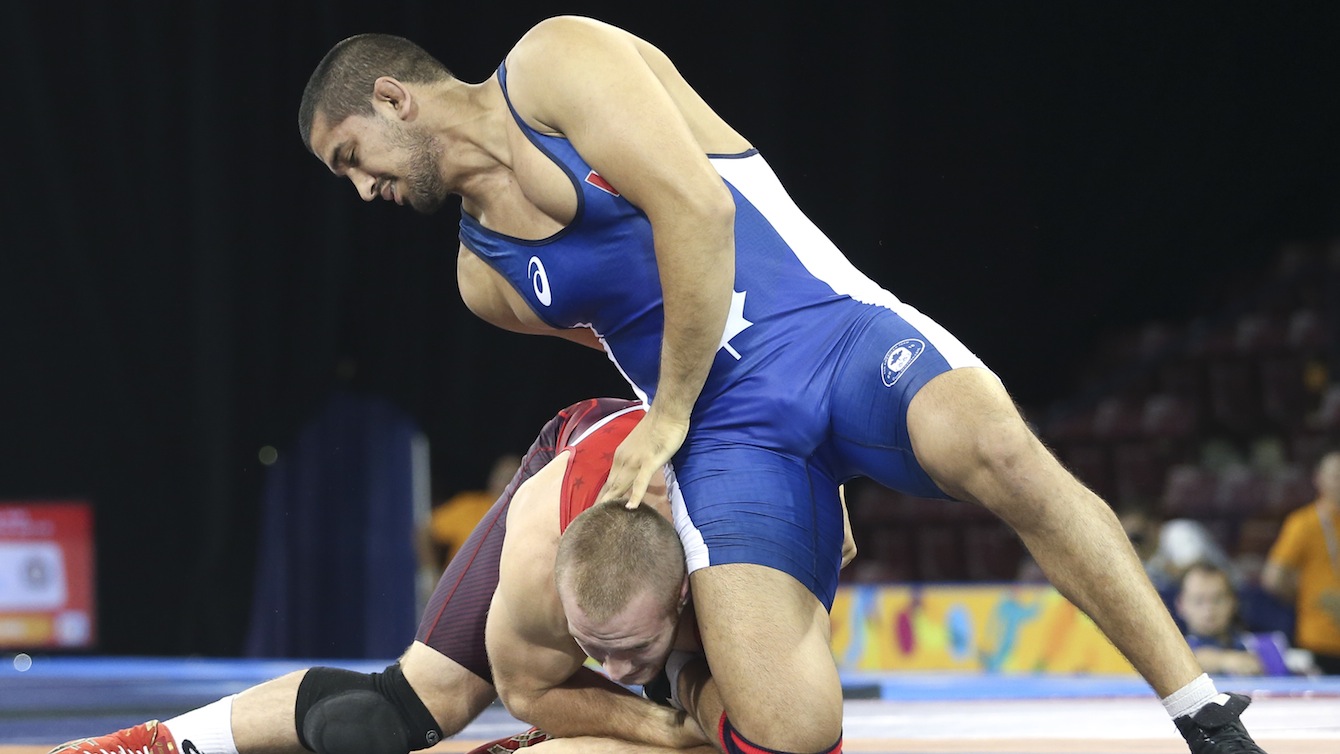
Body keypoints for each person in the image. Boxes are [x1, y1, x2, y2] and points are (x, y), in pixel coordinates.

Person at [297, 17, 1268, 753]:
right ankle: (686, 675)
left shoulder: (553, 62)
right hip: (733, 439)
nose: (361, 190)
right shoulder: (486, 277)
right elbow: (635, 342)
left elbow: (698, 212)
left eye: (352, 159)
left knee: (1001, 452)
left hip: (830, 334)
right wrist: (713, 432)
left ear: (393, 99)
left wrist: (666, 412)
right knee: (789, 734)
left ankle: (1202, 710)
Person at [48, 398, 717, 754]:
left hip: (719, 517)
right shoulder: (540, 556)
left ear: (683, 592)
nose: (615, 668)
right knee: (391, 714)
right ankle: (154, 746)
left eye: (632, 650)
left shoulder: (740, 570)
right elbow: (529, 690)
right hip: (577, 459)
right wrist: (655, 723)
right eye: (592, 647)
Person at [1261, 449, 1340, 674]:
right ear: (1318, 478)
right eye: (1336, 475)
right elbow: (1273, 578)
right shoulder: (1303, 523)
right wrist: (1307, 595)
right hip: (1318, 640)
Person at [1174, 562, 1306, 676]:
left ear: (1233, 602)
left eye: (1217, 599)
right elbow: (1180, 661)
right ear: (1181, 605)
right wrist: (1226, 661)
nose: (1209, 610)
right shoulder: (1172, 652)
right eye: (1198, 601)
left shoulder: (1267, 646)